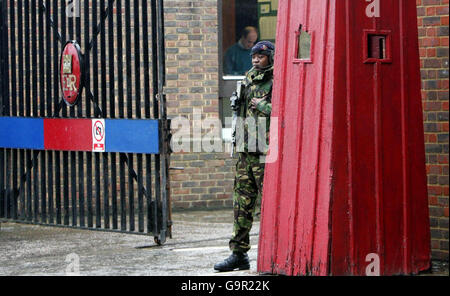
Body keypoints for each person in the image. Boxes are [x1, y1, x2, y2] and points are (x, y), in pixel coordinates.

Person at [214, 41, 275, 272]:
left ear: (270, 57)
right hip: (244, 149)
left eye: (261, 56)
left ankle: (273, 253)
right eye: (253, 57)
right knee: (241, 204)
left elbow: (287, 109)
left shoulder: (277, 80)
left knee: (268, 205)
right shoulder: (247, 79)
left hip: (265, 150)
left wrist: (264, 106)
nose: (256, 60)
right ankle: (238, 254)